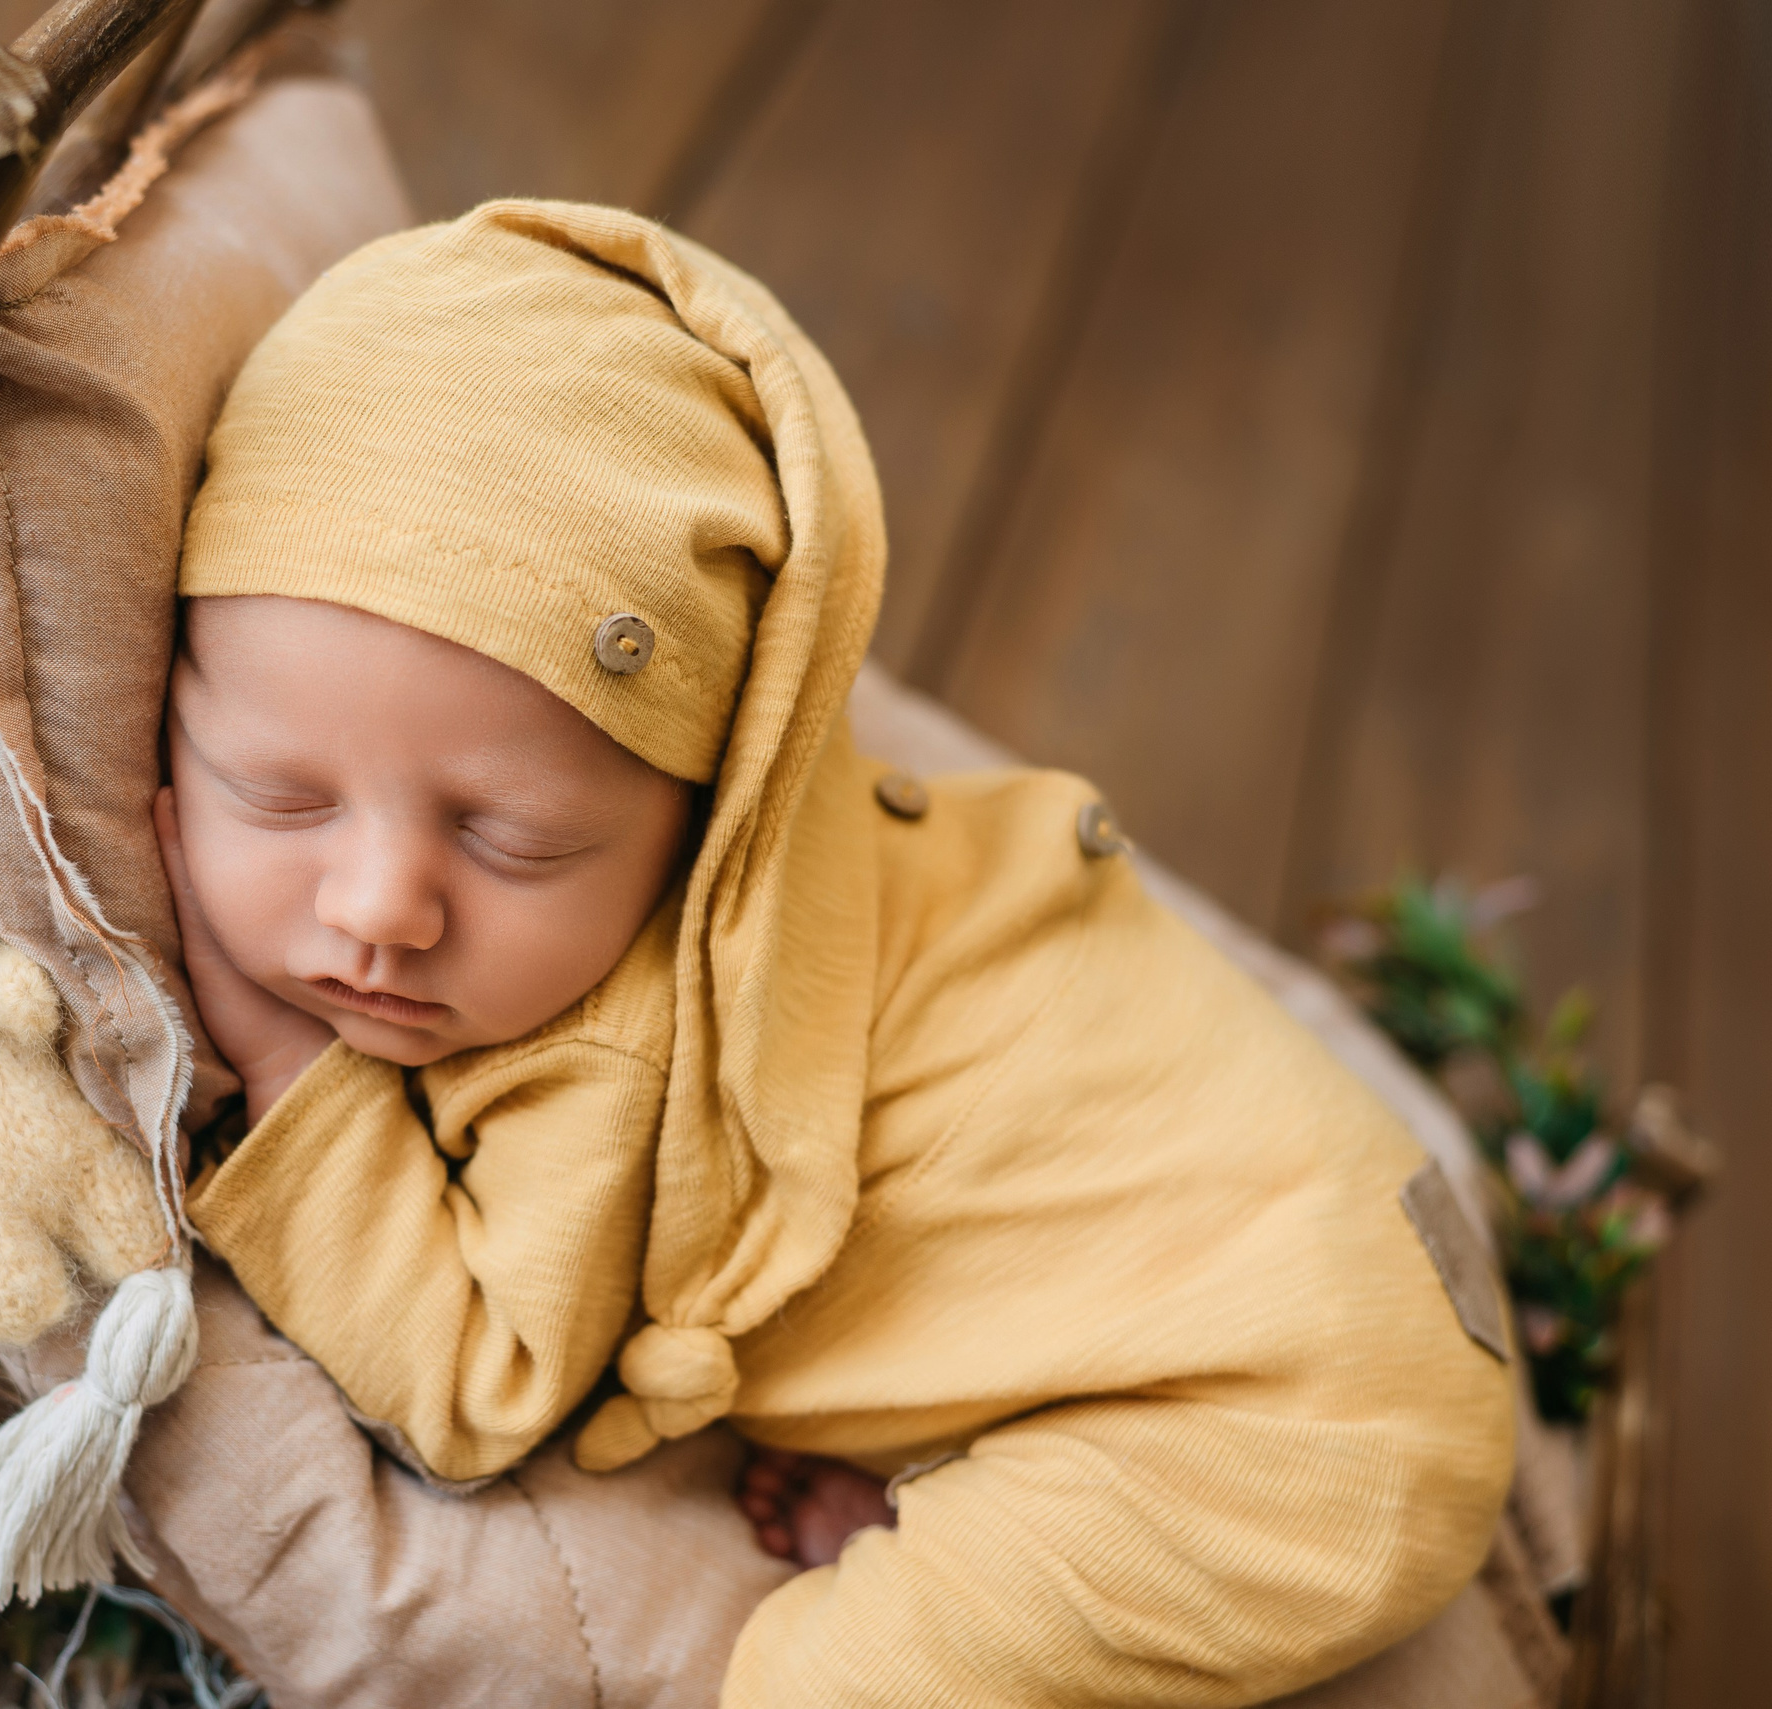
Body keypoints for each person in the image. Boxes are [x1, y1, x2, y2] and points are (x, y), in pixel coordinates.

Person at [148, 199, 1512, 1706]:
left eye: (513, 842)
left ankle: (1003, 1517)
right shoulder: (530, 899)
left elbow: (478, 1386)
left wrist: (289, 1069)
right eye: (276, 796)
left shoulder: (621, 1039)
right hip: (1315, 1241)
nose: (377, 908)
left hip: (1293, 1423)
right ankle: (973, 1493)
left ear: (716, 807)